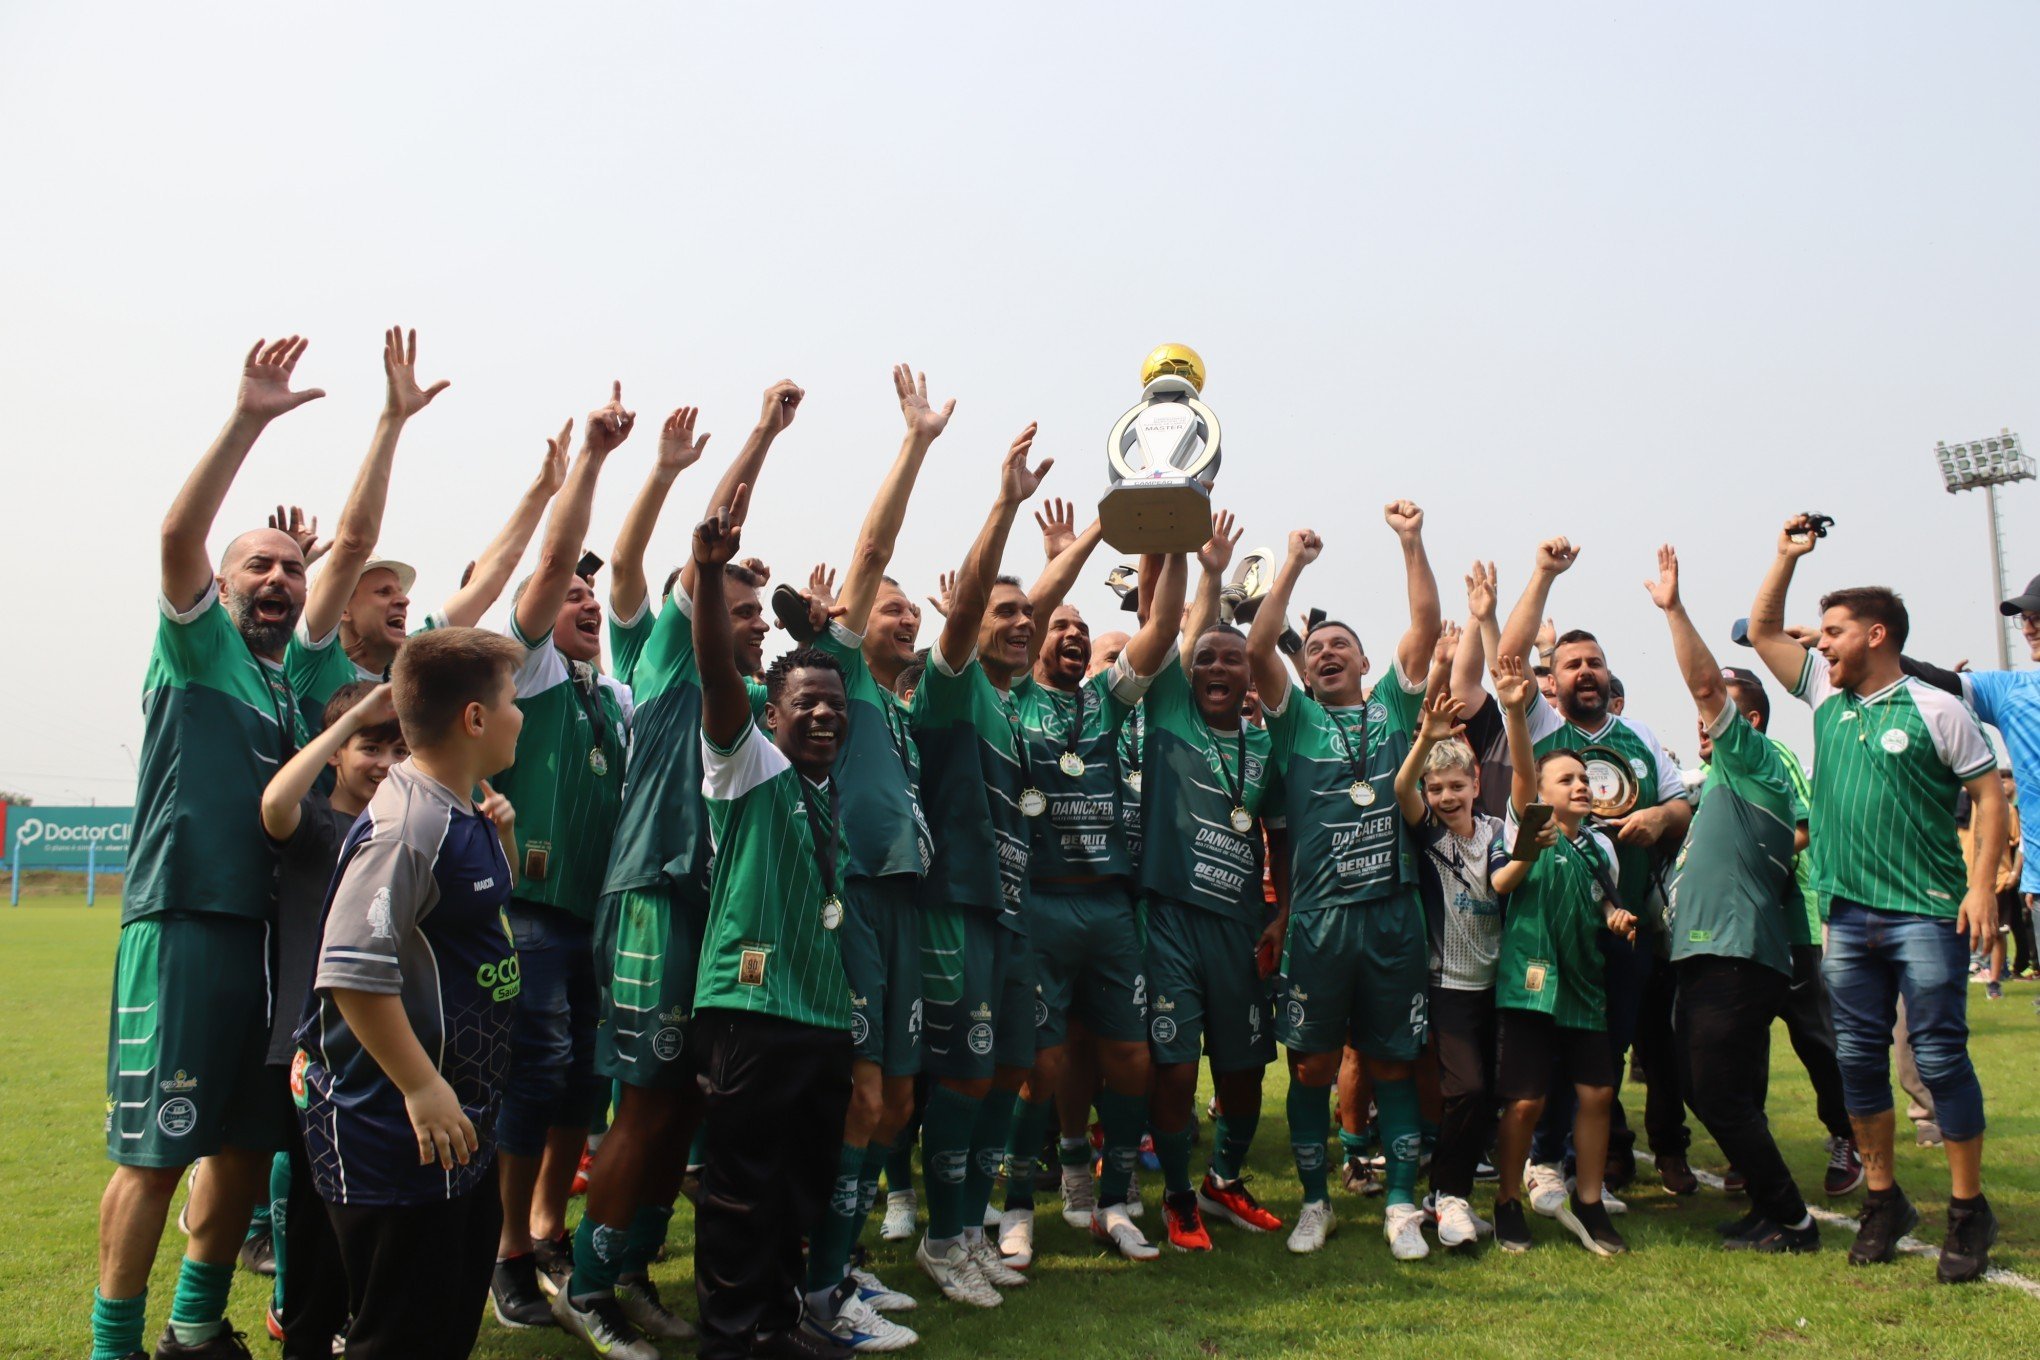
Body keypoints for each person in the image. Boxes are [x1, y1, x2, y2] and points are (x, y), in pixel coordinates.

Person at [557, 381, 806, 1357]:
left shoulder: (754, 702)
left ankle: (628, 1269)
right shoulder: (664, 658)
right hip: (653, 899)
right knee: (648, 1102)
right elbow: (715, 529)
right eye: (731, 605)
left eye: (755, 612)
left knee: (688, 1106)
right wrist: (762, 434)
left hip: (719, 917)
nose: (750, 620)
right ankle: (587, 1287)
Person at [95, 336, 324, 1360]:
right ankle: (113, 1344)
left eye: (288, 568)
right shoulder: (197, 647)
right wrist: (250, 418)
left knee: (238, 1144)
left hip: (264, 944)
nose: (276, 578)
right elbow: (178, 529)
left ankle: (195, 1328)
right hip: (185, 918)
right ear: (222, 587)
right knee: (153, 1152)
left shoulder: (285, 686)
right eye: (258, 566)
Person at [1745, 514, 2005, 1281]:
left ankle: (1966, 1211)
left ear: (1877, 635)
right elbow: (1762, 628)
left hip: (1926, 912)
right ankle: (1884, 1200)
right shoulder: (1827, 697)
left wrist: (1984, 889)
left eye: (1833, 631)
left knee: (1939, 1057)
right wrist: (1785, 556)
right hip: (1847, 916)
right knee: (1858, 1063)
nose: (1820, 643)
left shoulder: (1938, 709)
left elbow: (1989, 798)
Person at [294, 627, 524, 1360]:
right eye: (513, 699)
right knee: (396, 1334)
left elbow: (474, 921)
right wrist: (422, 1087)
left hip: (461, 1120)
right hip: (393, 1128)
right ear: (475, 719)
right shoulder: (406, 824)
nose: (523, 715)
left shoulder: (463, 808)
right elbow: (353, 972)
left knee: (445, 1320)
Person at [791, 365, 950, 1349]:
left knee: (891, 1100)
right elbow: (875, 545)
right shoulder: (842, 673)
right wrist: (917, 442)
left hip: (903, 906)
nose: (905, 616)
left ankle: (839, 1263)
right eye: (887, 607)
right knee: (856, 1096)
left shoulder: (901, 705)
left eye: (906, 610)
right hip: (846, 900)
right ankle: (813, 1293)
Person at [687, 488, 858, 1360]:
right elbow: (718, 674)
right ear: (773, 715)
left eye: (836, 704)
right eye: (807, 704)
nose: (825, 713)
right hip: (750, 1006)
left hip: (823, 1017)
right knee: (740, 1187)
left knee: (801, 1187)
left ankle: (779, 1324)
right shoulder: (746, 767)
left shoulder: (833, 801)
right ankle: (729, 1337)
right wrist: (711, 576)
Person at [1244, 503, 1442, 1259]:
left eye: (1342, 647)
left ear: (1365, 664)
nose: (1328, 653)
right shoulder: (1292, 721)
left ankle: (1398, 1204)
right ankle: (1316, 1202)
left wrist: (1410, 541)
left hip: (1392, 915)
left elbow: (1423, 626)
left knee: (1391, 1061)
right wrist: (1291, 565)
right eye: (1318, 647)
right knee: (1313, 1065)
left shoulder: (1395, 707)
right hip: (1320, 922)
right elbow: (1260, 641)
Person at [487, 385, 637, 1326]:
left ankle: (547, 1227)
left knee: (584, 1083)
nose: (585, 601)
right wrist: (592, 462)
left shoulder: (612, 700)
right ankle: (504, 1252)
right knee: (530, 1084)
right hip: (526, 915)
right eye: (570, 595)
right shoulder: (528, 669)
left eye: (596, 595)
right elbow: (549, 562)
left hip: (596, 925)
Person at [1497, 537, 1694, 1204]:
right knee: (1549, 1050)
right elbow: (1507, 658)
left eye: (1596, 663)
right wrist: (1543, 574)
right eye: (1572, 663)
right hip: (1551, 928)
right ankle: (1542, 1162)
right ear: (1554, 678)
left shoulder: (1639, 736)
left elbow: (1683, 805)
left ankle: (1591, 1165)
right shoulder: (1543, 725)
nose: (1587, 671)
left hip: (1625, 924)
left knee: (1604, 1054)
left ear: (1609, 676)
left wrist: (1662, 821)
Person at [1008, 516, 1181, 1263]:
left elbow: (1164, 622)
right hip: (1039, 899)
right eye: (1061, 628)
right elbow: (1034, 612)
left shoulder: (1109, 701)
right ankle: (1016, 1203)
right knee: (1041, 1065)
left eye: (1084, 630)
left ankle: (1115, 1202)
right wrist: (1066, 565)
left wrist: (1171, 533)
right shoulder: (1010, 694)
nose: (1074, 636)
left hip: (1109, 904)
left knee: (1131, 1058)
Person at [908, 425, 1054, 1307]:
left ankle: (968, 1229)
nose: (1020, 624)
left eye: (1026, 616)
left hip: (1012, 914)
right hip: (956, 906)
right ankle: (938, 1237)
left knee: (1007, 1074)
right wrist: (1004, 503)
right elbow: (963, 613)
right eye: (1006, 612)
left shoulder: (1015, 709)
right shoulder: (951, 685)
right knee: (963, 1075)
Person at [1645, 545, 1819, 1253]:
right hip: (1715, 953)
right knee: (1715, 1088)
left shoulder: (1751, 766)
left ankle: (1794, 1221)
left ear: (1748, 727)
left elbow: (1706, 686)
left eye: (1718, 718)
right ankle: (1769, 1211)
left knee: (1715, 1091)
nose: (1703, 724)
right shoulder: (1721, 783)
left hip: (1735, 955)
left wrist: (1673, 610)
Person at [1139, 512, 1288, 1254]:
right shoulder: (1167, 711)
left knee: (1244, 1074)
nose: (1221, 669)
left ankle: (1222, 1180)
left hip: (1238, 930)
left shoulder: (1265, 747)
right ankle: (1173, 1195)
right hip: (1168, 923)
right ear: (1190, 673)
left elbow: (1283, 838)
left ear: (1249, 672)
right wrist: (1208, 572)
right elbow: (1175, 625)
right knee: (1171, 1068)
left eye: (1234, 660)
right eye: (1209, 661)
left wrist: (1282, 914)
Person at [259, 681, 408, 1355]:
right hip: (312, 1054)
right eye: (370, 747)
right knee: (317, 1217)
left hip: (383, 1051)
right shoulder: (316, 823)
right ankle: (306, 1334)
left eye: (397, 749)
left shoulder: (404, 832)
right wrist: (351, 715)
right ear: (336, 754)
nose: (384, 762)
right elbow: (273, 802)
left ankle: (352, 1324)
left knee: (373, 1210)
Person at [1490, 656, 1632, 1256]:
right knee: (1526, 1101)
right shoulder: (1527, 827)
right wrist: (1517, 712)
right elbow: (1523, 770)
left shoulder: (1601, 849)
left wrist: (1615, 916)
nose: (1581, 785)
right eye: (1567, 778)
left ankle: (1591, 1201)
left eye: (1585, 779)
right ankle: (1506, 1202)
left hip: (1583, 984)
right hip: (1528, 984)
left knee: (1597, 1094)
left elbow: (1601, 901)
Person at [1394, 634, 1509, 1251]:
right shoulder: (1431, 838)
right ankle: (1446, 1195)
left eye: (1454, 787)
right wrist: (1425, 737)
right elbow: (1401, 790)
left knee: (1489, 1092)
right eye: (1436, 791)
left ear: (1473, 783)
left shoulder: (1497, 831)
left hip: (1502, 982)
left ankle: (1455, 1191)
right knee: (1463, 1089)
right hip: (1450, 985)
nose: (1444, 798)